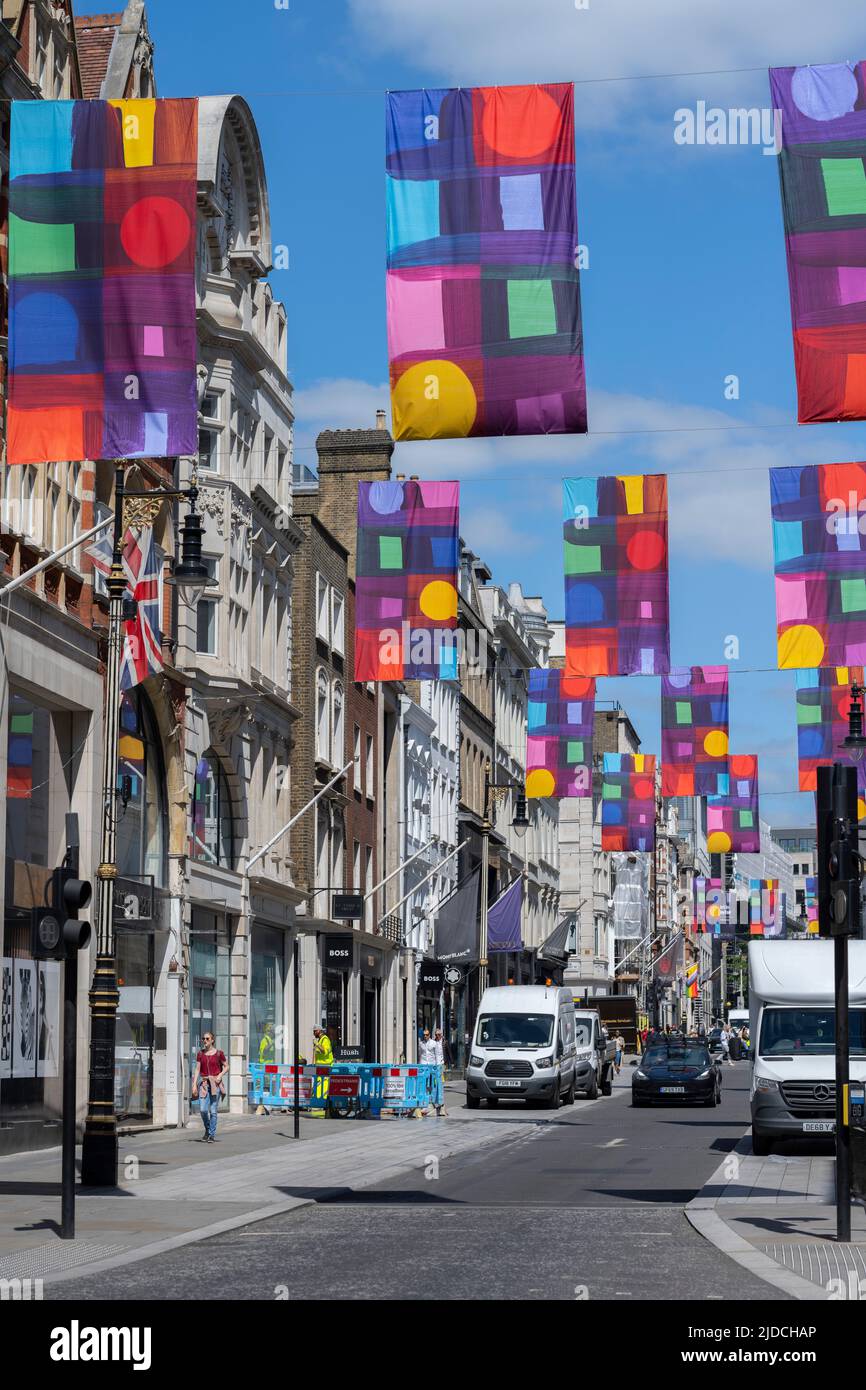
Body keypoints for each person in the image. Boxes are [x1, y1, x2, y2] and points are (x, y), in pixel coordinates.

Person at [192, 1032, 228, 1142]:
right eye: (203, 1038)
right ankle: (207, 1129)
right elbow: (197, 1069)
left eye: (207, 1039)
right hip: (204, 1084)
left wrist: (220, 1075)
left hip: (215, 1084)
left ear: (212, 1040)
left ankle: (211, 1134)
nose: (205, 1040)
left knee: (213, 1111)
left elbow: (227, 1066)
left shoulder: (219, 1054)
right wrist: (194, 1084)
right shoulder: (200, 1054)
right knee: (203, 1110)